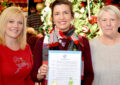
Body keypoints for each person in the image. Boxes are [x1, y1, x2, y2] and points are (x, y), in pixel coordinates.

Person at [32, 0, 94, 85]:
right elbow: (34, 75)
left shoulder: (83, 42)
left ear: (72, 16)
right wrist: (40, 73)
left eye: (65, 13)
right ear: (52, 18)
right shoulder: (42, 42)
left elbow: (89, 74)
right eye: (57, 14)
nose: (62, 17)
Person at [0, 7, 34, 85]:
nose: (16, 26)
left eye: (20, 23)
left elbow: (29, 78)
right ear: (3, 23)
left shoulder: (26, 47)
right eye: (11, 21)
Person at [90, 5, 120, 85]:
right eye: (104, 20)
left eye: (112, 20)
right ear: (99, 23)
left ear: (119, 22)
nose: (108, 24)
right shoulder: (90, 46)